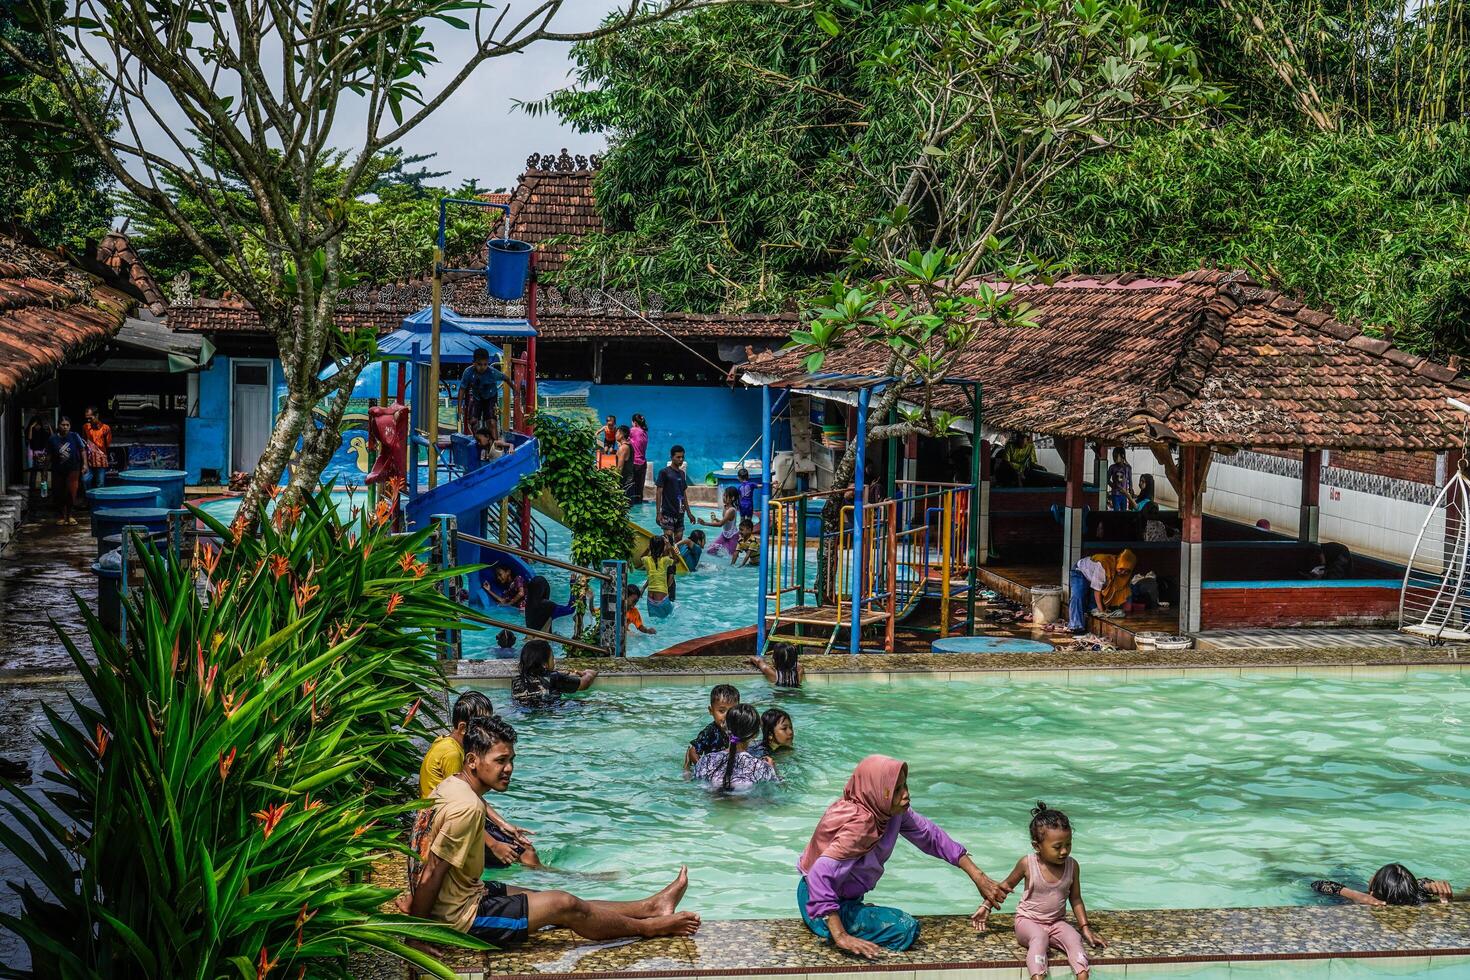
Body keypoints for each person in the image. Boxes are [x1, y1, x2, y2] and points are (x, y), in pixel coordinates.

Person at [406, 716, 700, 946]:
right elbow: (433, 871)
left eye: (511, 760)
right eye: (500, 761)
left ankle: (650, 906)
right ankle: (650, 927)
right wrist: (417, 935)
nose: (508, 769)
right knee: (564, 904)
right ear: (472, 760)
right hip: (462, 917)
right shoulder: (466, 808)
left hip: (465, 894)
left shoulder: (452, 787)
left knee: (549, 899)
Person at [797, 755, 1010, 957]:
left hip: (838, 899)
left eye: (904, 785)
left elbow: (931, 837)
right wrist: (841, 935)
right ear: (878, 792)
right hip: (819, 905)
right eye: (896, 790)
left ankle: (854, 913)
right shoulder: (860, 824)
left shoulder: (888, 813)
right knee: (906, 929)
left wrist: (978, 876)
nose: (906, 794)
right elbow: (818, 875)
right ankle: (842, 922)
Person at [979, 803, 1104, 980]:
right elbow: (1006, 886)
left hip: (1056, 922)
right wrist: (986, 905)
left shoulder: (1072, 865)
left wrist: (1085, 928)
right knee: (1039, 938)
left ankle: (1082, 975)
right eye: (1057, 846)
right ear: (1037, 846)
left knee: (1074, 939)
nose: (1064, 851)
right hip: (1028, 922)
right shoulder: (1027, 863)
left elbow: (1075, 899)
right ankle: (1037, 977)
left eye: (1068, 845)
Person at [418, 691, 541, 870]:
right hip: (443, 826)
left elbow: (471, 796)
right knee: (526, 853)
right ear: (462, 728)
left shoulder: (448, 743)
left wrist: (502, 823)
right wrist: (494, 845)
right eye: (480, 724)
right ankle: (551, 880)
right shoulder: (452, 754)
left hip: (446, 820)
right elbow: (461, 805)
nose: (489, 729)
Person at [691, 703, 778, 791]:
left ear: (725, 727)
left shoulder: (705, 761)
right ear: (755, 735)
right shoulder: (761, 767)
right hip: (745, 802)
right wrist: (773, 770)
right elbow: (776, 791)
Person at [1312, 864, 1464, 906]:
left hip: (1357, 890)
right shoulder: (1414, 895)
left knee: (1342, 871)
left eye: (1375, 875)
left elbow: (1317, 884)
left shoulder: (1356, 899)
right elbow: (1419, 884)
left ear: (1372, 892)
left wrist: (1355, 895)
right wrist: (1431, 886)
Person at [1066, 550, 1137, 633]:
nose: (1123, 572)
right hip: (1080, 571)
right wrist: (1102, 611)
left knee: (1093, 607)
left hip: (1093, 577)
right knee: (1078, 595)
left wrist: (1127, 612)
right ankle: (1076, 626)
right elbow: (1097, 591)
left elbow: (1123, 590)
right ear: (1118, 563)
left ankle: (1089, 615)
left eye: (1127, 571)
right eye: (1121, 569)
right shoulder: (1104, 565)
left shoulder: (1124, 573)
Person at [511, 639, 597, 706]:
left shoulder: (516, 680)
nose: (554, 661)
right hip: (552, 711)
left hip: (524, 712)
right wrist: (590, 673)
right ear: (545, 664)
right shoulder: (554, 678)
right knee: (595, 703)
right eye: (552, 658)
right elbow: (585, 683)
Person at [684, 684, 740, 771]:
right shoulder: (710, 731)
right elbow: (693, 750)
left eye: (732, 711)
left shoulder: (738, 729)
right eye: (721, 711)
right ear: (711, 711)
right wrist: (702, 768)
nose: (727, 715)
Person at [458, 349, 508, 438]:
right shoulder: (468, 372)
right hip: (477, 397)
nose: (482, 367)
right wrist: (459, 407)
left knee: (491, 422)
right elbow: (462, 389)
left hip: (490, 397)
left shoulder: (492, 372)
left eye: (485, 364)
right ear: (474, 363)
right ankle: (479, 439)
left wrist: (515, 390)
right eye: (479, 364)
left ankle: (495, 444)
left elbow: (506, 378)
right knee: (473, 421)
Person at [47, 416, 86, 525]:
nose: (65, 427)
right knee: (59, 492)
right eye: (63, 425)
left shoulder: (74, 436)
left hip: (73, 468)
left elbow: (82, 450)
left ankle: (69, 515)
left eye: (67, 425)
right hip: (58, 469)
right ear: (58, 426)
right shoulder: (53, 439)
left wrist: (85, 465)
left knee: (71, 492)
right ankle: (62, 515)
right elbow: (49, 455)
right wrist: (45, 470)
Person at [655, 445, 695, 538]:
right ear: (672, 457)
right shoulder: (664, 472)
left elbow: (683, 494)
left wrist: (689, 513)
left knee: (678, 540)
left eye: (682, 457)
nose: (681, 459)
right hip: (667, 512)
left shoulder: (682, 474)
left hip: (680, 514)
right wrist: (658, 513)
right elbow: (658, 493)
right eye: (678, 457)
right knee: (668, 539)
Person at [699, 487, 742, 561]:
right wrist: (717, 520)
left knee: (731, 557)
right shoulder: (725, 507)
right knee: (710, 551)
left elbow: (720, 524)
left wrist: (705, 523)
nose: (723, 498)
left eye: (725, 496)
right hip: (724, 534)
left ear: (732, 498)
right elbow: (725, 521)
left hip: (733, 536)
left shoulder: (731, 510)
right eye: (723, 495)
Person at [641, 536, 677, 619]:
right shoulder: (665, 560)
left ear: (650, 546)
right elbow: (676, 560)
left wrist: (648, 548)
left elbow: (641, 557)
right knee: (668, 620)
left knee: (654, 622)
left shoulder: (647, 560)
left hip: (650, 599)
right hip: (662, 598)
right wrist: (670, 546)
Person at [81, 406, 112, 493]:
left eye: (90, 418)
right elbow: (83, 442)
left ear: (97, 415)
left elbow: (107, 444)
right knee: (85, 480)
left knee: (100, 484)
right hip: (88, 460)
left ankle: (98, 504)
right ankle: (89, 502)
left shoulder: (106, 428)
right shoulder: (85, 427)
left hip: (101, 461)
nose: (88, 420)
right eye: (87, 418)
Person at [25, 415, 51, 491]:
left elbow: (52, 436)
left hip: (42, 455)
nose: (37, 427)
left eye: (38, 425)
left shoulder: (43, 432)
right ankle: (32, 490)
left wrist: (49, 427)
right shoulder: (30, 431)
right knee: (33, 473)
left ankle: (44, 490)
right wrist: (31, 427)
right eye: (35, 425)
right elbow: (29, 438)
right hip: (33, 455)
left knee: (44, 473)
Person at [629, 413, 649, 504]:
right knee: (639, 491)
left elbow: (621, 436)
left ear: (635, 422)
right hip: (643, 463)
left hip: (633, 463)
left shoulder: (633, 430)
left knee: (630, 490)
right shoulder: (645, 433)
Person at [615, 425, 637, 505]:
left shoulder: (623, 448)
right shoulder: (629, 446)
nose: (615, 435)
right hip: (630, 482)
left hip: (625, 483)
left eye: (617, 433)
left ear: (621, 434)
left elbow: (620, 468)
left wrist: (615, 484)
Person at [1105, 447, 1131, 512]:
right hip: (1115, 494)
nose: (1114, 457)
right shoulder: (1112, 467)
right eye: (1113, 455)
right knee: (1116, 511)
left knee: (1124, 511)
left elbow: (1130, 480)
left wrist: (1130, 490)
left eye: (1116, 455)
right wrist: (1113, 486)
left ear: (1123, 455)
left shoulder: (1127, 468)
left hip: (1124, 495)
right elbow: (1107, 479)